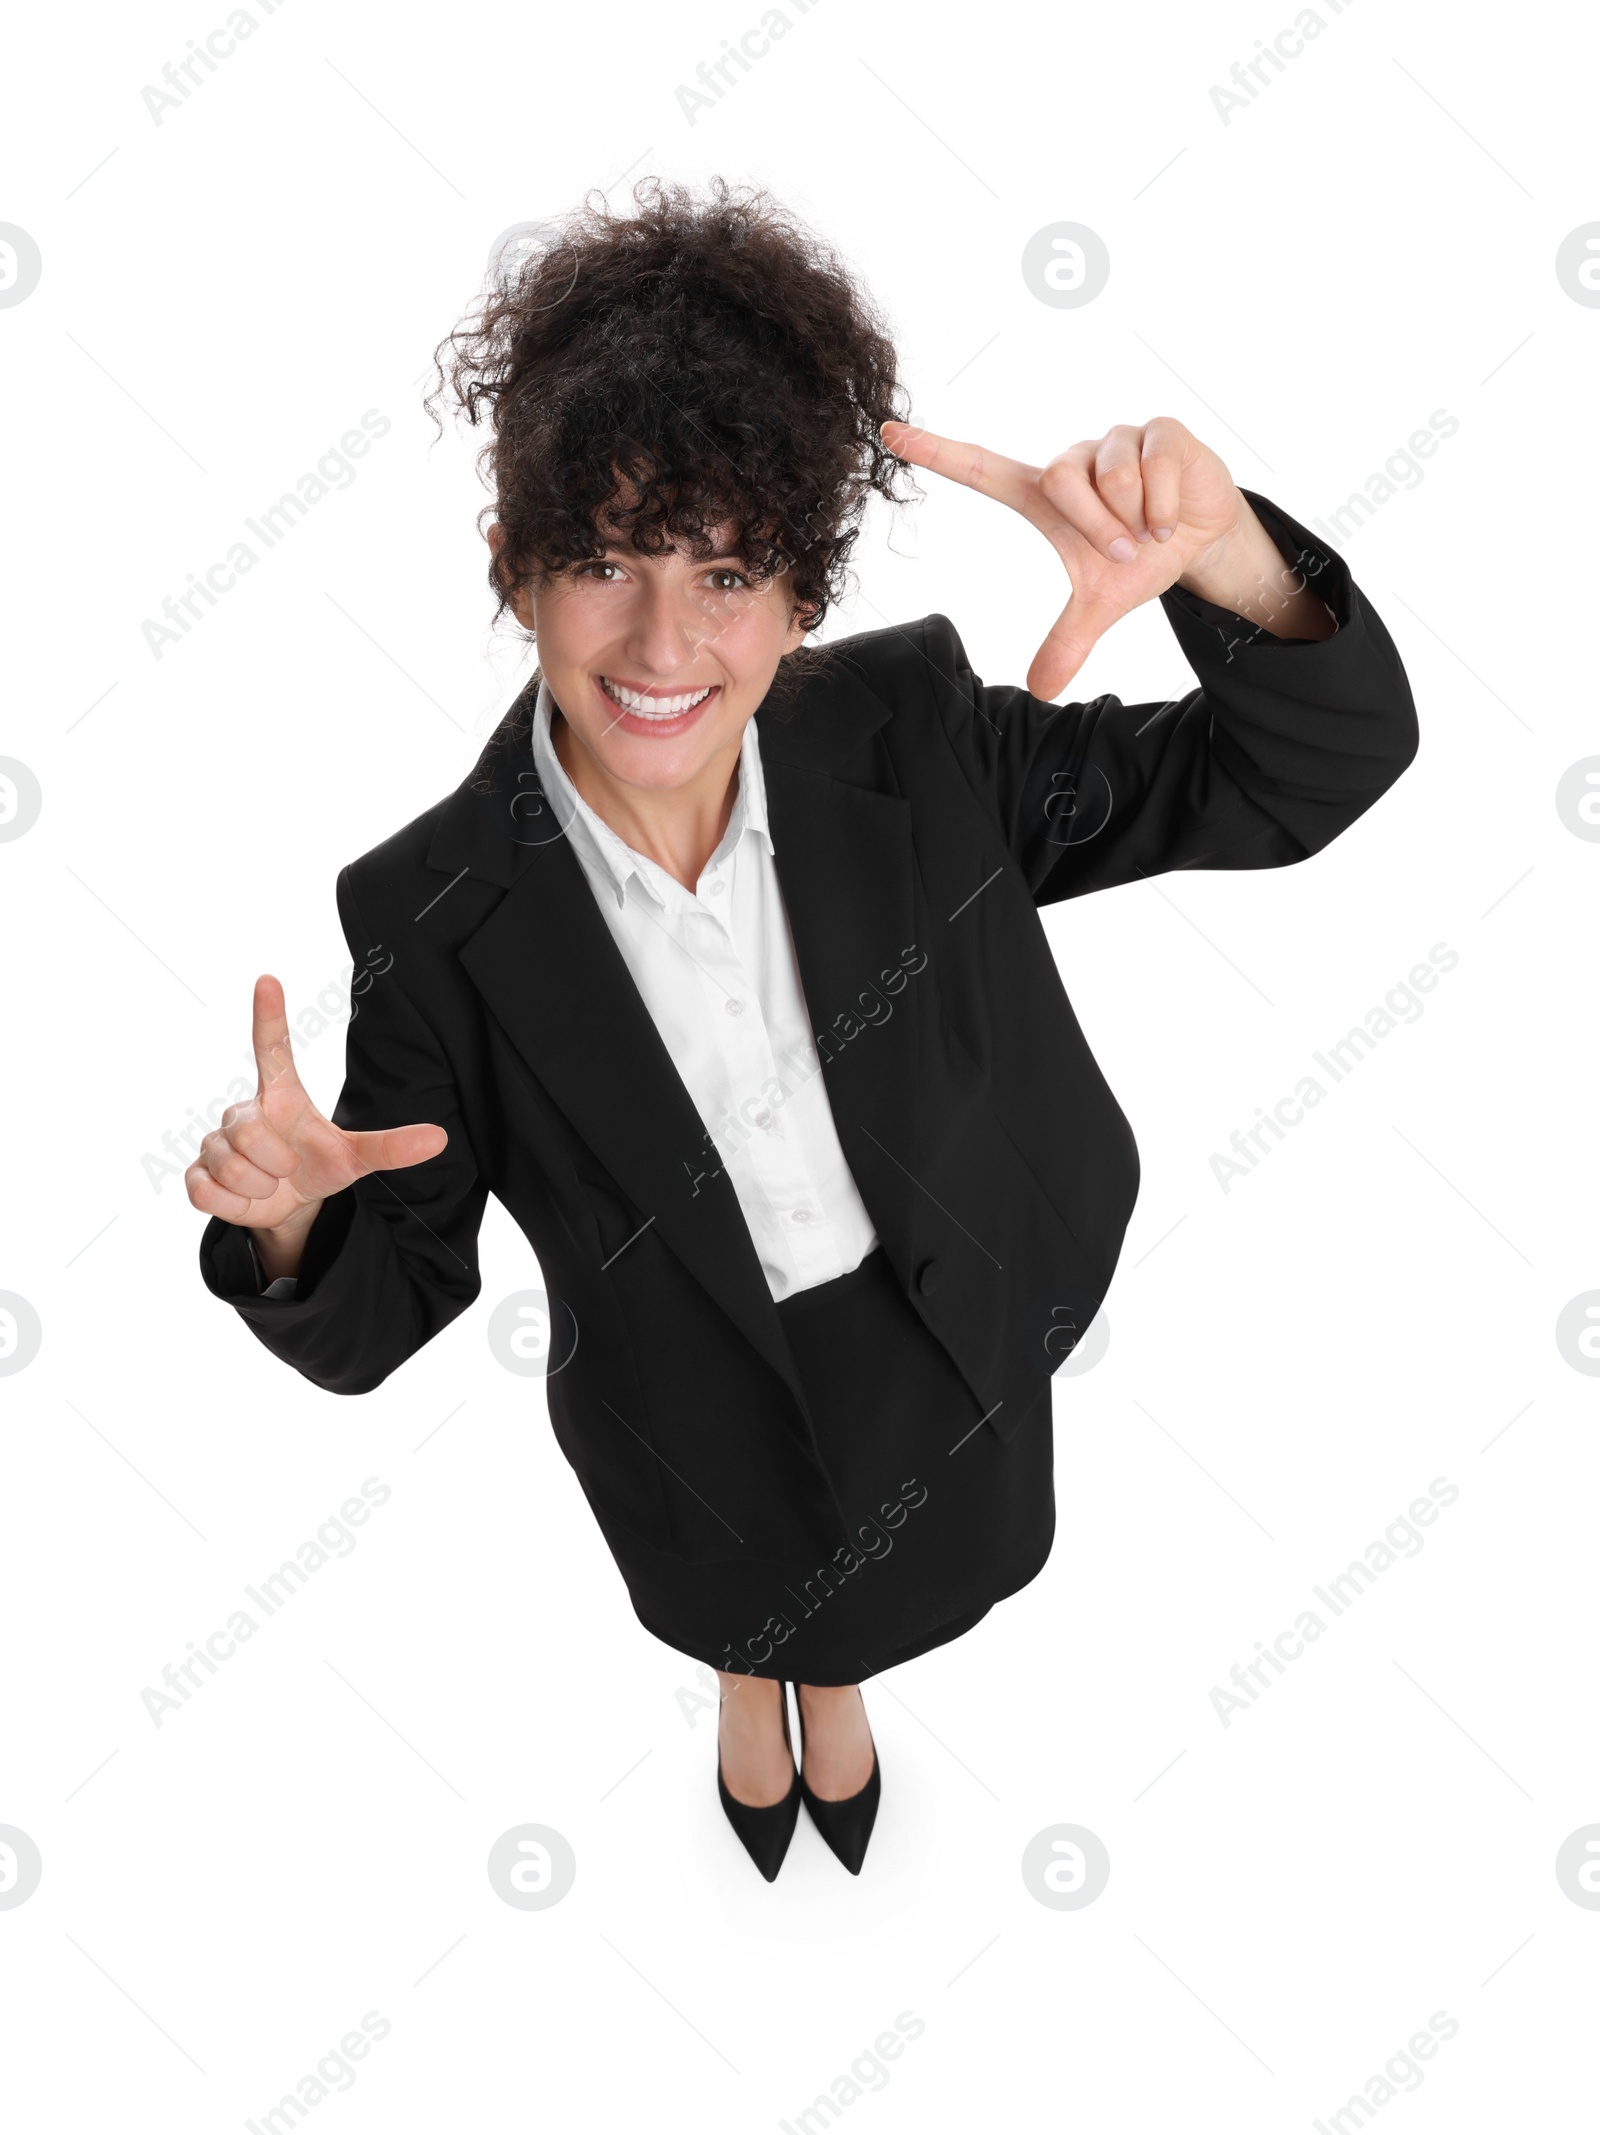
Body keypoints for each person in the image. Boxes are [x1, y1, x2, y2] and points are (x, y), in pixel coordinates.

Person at [187, 177, 1419, 1881]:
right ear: (517, 568)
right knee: (742, 1578)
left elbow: (1303, 776)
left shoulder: (915, 738)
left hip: (941, 1336)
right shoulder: (431, 911)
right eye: (603, 562)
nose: (666, 643)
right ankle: (749, 1684)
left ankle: (828, 1681)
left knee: (881, 1586)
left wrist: (1225, 556)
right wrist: (301, 1226)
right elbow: (394, 1297)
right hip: (684, 1399)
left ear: (806, 590)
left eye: (729, 569)